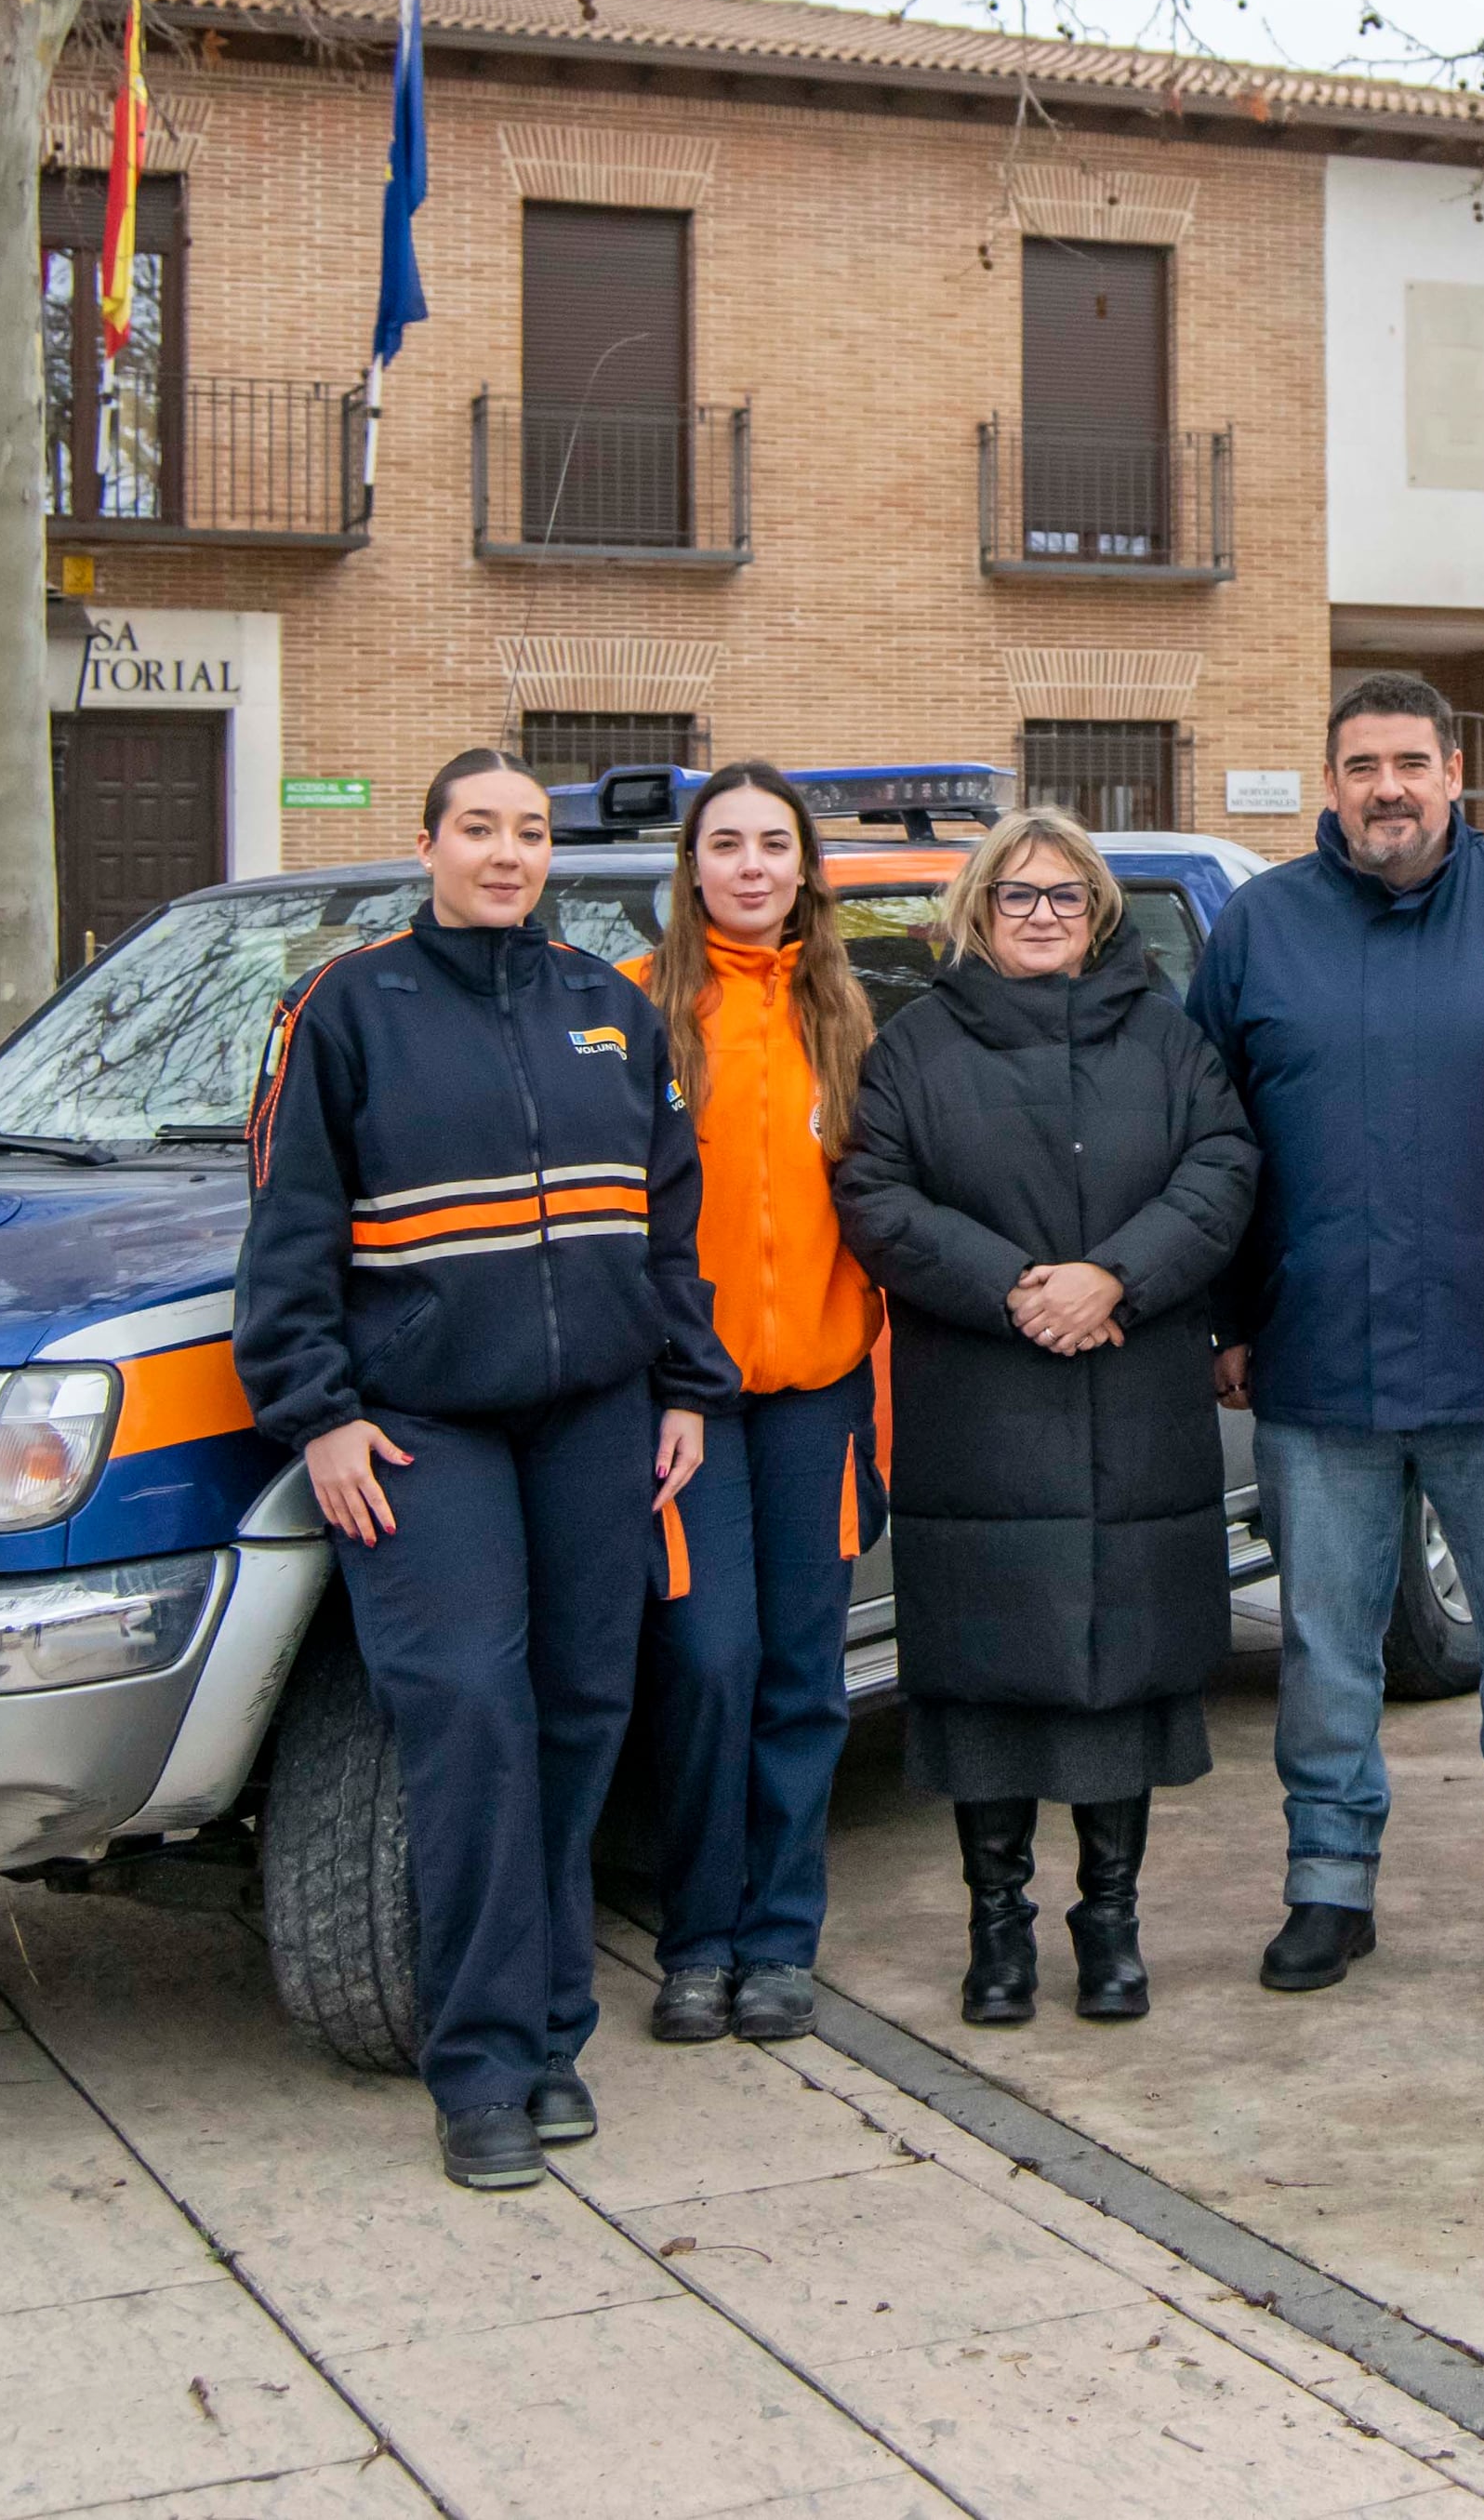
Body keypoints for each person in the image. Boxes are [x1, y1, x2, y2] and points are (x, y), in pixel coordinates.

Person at [234, 749, 739, 2193]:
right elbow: (285, 1233)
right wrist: (317, 1412)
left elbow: (666, 1220)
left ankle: (555, 2027)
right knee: (466, 1711)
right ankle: (480, 2065)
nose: (507, 853)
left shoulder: (606, 1008)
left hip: (596, 1416)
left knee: (584, 1710)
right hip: (421, 1429)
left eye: (529, 830)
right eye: (479, 829)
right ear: (429, 841)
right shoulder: (346, 1008)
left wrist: (686, 1384)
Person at [1185, 671, 1484, 2000]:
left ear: (1454, 773)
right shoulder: (1262, 929)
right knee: (1325, 1647)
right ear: (1332, 782)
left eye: (1411, 762)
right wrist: (1225, 1314)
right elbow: (1207, 1138)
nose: (1388, 787)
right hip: (1315, 1361)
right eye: (1361, 764)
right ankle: (1329, 1887)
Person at [832, 808, 1260, 2024]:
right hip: (984, 1404)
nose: (1039, 914)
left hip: (1133, 1402)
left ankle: (1110, 1924)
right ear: (977, 909)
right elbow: (872, 1185)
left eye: (1063, 896)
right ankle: (999, 1926)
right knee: (987, 1684)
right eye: (1016, 895)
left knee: (1121, 1678)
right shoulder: (915, 1046)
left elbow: (1223, 1167)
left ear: (1097, 913)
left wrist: (1116, 1272)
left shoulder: (1165, 1038)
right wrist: (1016, 1287)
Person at [633, 762, 882, 2050]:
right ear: (692, 868)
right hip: (690, 1407)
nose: (748, 866)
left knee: (803, 1678)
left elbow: (883, 1223)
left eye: (770, 845)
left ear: (801, 868)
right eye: (723, 844)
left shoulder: (848, 1018)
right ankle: (698, 1938)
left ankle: (780, 1942)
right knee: (707, 1665)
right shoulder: (634, 1014)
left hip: (821, 1404)